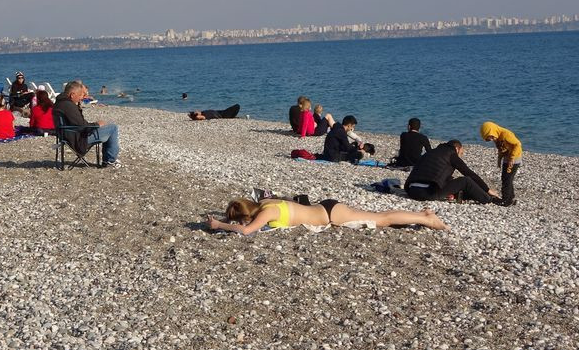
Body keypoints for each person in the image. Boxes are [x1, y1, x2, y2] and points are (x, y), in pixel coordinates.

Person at [207, 197, 448, 235]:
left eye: (239, 218)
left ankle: (427, 219)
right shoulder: (264, 203)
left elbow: (248, 231)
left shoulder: (267, 211)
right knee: (380, 215)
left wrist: (219, 225)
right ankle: (422, 214)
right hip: (327, 208)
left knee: (381, 219)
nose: (239, 223)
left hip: (332, 214)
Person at [405, 140, 501, 205]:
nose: (460, 156)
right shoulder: (451, 154)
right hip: (427, 192)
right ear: (457, 149)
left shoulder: (430, 152)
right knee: (466, 181)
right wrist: (487, 189)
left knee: (450, 179)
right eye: (461, 153)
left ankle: (460, 195)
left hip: (411, 190)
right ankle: (489, 199)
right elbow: (468, 173)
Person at [53, 80, 122, 168]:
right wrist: (96, 125)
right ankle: (110, 160)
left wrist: (78, 104)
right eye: (80, 95)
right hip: (79, 139)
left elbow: (78, 123)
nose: (81, 98)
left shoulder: (60, 102)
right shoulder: (68, 106)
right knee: (113, 128)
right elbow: (82, 126)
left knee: (108, 128)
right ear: (72, 95)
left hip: (68, 135)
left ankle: (108, 159)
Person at [480, 122, 522, 206]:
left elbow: (518, 144)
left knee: (507, 179)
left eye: (490, 137)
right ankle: (511, 198)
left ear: (492, 131)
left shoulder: (506, 134)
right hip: (507, 158)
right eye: (488, 139)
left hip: (514, 158)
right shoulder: (497, 136)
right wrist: (499, 159)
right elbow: (501, 149)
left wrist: (512, 158)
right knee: (506, 178)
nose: (491, 140)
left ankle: (506, 200)